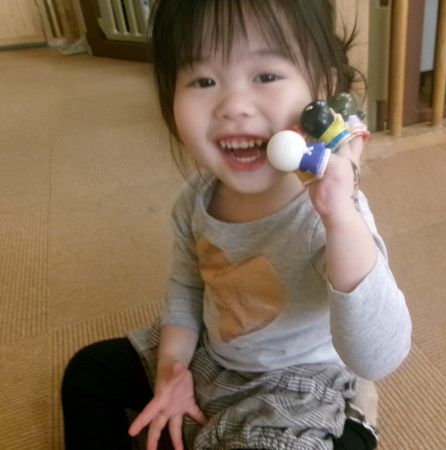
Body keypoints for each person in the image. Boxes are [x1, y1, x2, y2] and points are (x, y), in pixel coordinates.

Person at [61, 1, 412, 449]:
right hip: (212, 356)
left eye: (265, 76)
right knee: (89, 372)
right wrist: (172, 370)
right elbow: (187, 288)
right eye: (203, 81)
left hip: (296, 384)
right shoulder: (195, 200)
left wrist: (340, 217)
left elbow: (379, 357)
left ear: (321, 90)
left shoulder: (332, 212)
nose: (233, 106)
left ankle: (357, 420)